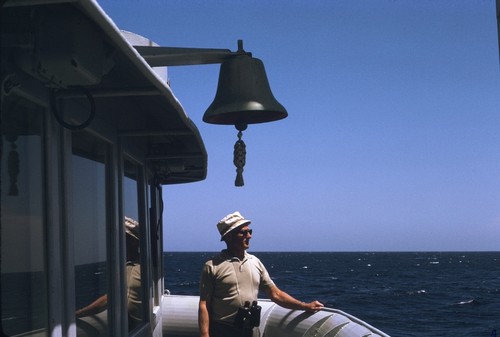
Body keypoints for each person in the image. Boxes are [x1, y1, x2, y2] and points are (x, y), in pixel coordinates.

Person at [198, 211, 324, 337]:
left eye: (250, 231)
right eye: (244, 232)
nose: (249, 236)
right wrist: (205, 334)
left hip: (250, 330)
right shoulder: (212, 266)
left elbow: (276, 294)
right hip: (223, 331)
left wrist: (304, 306)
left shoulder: (255, 262)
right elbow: (204, 304)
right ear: (229, 236)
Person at [76, 217, 143, 330]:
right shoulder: (132, 265)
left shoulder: (137, 267)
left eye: (122, 238)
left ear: (132, 241)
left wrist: (77, 314)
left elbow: (109, 299)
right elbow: (112, 297)